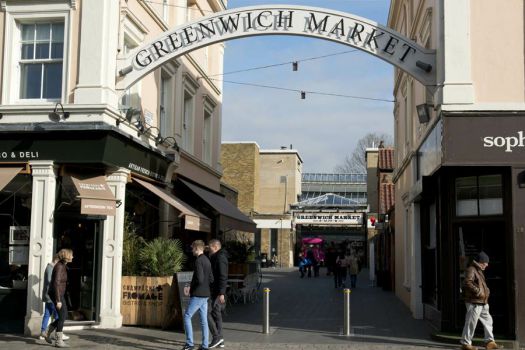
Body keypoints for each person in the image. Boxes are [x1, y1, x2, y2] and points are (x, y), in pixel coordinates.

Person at [460, 252, 500, 350]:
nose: (487, 265)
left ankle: (490, 342)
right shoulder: (472, 269)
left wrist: (486, 291)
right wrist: (478, 292)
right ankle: (466, 343)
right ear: (481, 262)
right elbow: (467, 283)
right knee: (471, 322)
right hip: (474, 301)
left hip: (482, 302)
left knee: (488, 320)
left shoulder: (478, 270)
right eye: (486, 262)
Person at [182, 240, 214, 350]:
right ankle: (205, 345)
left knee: (187, 316)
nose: (191, 250)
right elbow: (211, 278)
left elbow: (199, 279)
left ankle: (189, 343)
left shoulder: (198, 261)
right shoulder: (207, 260)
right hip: (206, 294)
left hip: (198, 294)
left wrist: (192, 287)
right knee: (203, 320)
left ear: (196, 248)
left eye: (192, 248)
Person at [45, 248, 73, 348]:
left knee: (64, 316)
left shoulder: (63, 265)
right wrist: (58, 300)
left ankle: (47, 331)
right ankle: (58, 340)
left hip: (59, 294)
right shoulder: (60, 266)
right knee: (62, 316)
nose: (73, 257)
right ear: (67, 256)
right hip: (57, 294)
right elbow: (56, 283)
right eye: (71, 255)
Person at [40, 254, 70, 340]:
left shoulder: (50, 267)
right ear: (56, 260)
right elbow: (51, 282)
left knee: (48, 314)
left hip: (49, 294)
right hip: (52, 295)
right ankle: (55, 333)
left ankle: (44, 332)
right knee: (59, 316)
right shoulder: (51, 268)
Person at [207, 239, 228, 349]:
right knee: (216, 314)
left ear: (215, 247)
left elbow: (223, 276)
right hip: (215, 290)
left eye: (210, 247)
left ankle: (217, 337)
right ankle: (220, 339)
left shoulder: (220, 258)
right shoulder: (216, 257)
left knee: (207, 313)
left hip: (216, 292)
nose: (208, 249)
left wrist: (221, 293)